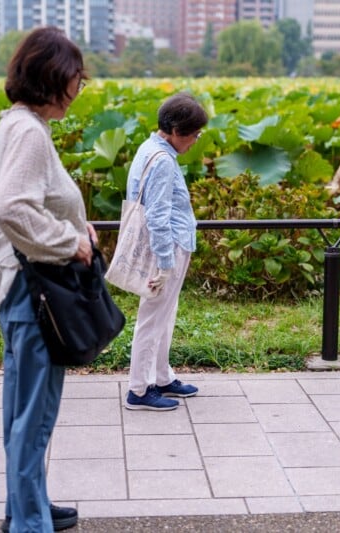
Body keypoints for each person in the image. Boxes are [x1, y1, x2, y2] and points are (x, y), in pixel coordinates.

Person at [0, 27, 90, 533]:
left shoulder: (19, 124)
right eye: (75, 78)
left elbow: (34, 199)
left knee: (19, 411)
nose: (79, 88)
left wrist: (70, 224)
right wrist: (70, 242)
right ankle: (29, 522)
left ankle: (27, 504)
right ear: (51, 76)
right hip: (33, 294)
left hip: (18, 291)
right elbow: (12, 207)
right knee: (34, 414)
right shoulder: (28, 132)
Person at [123, 92, 209, 411]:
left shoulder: (152, 148)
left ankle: (161, 376)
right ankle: (139, 389)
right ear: (176, 131)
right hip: (166, 247)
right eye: (194, 134)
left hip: (169, 245)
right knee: (153, 316)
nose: (196, 141)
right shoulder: (161, 161)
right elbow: (157, 214)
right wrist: (164, 263)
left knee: (164, 315)